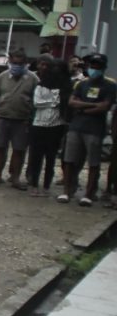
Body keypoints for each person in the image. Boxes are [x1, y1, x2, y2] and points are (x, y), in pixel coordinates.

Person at [60, 53, 116, 206]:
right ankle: (67, 191)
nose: (94, 69)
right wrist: (92, 105)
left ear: (103, 68)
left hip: (95, 128)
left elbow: (104, 107)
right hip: (76, 126)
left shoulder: (110, 85)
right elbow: (72, 102)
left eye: (97, 66)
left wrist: (83, 106)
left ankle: (89, 194)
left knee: (93, 163)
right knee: (69, 160)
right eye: (92, 66)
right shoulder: (82, 84)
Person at [0, 49, 38, 190]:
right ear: (10, 61)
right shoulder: (2, 77)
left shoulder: (33, 79)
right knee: (0, 148)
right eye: (14, 62)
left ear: (25, 63)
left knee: (19, 150)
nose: (17, 65)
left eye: (20, 63)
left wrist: (30, 117)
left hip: (22, 120)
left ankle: (15, 178)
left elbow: (37, 99)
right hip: (3, 117)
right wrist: (1, 107)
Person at [26, 57, 70, 197]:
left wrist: (51, 101)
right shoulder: (41, 85)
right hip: (39, 124)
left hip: (56, 125)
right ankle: (34, 184)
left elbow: (64, 105)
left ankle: (46, 186)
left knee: (50, 158)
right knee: (36, 157)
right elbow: (37, 103)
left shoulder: (65, 87)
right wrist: (53, 102)